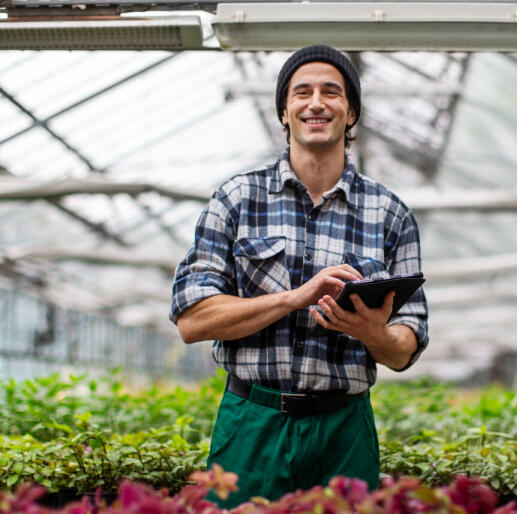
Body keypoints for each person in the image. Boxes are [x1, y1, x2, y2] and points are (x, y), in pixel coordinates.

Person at [169, 44, 429, 507]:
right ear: (284, 112)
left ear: (350, 114)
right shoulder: (236, 199)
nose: (316, 102)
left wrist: (374, 334)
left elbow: (407, 346)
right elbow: (193, 320)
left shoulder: (390, 214)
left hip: (345, 428)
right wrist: (295, 298)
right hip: (252, 420)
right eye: (301, 92)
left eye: (332, 92)